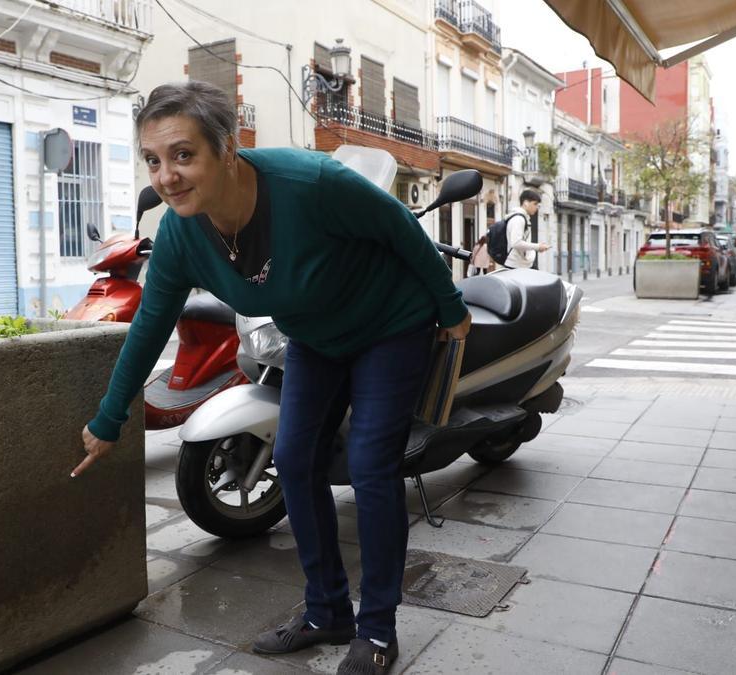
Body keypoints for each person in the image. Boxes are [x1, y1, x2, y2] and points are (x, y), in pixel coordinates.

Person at [72, 81, 471, 674]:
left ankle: (379, 630)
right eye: (153, 160)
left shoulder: (309, 184)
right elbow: (149, 327)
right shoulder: (182, 234)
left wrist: (451, 310)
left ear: (227, 148)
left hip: (390, 323)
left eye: (183, 155)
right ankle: (326, 610)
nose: (167, 176)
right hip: (314, 334)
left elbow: (399, 228)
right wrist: (108, 419)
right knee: (295, 454)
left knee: (369, 463)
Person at [503, 189, 550, 269]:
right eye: (535, 204)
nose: (537, 207)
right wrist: (537, 247)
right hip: (516, 266)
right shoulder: (518, 219)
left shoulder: (522, 218)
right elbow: (516, 242)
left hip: (521, 264)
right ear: (525, 203)